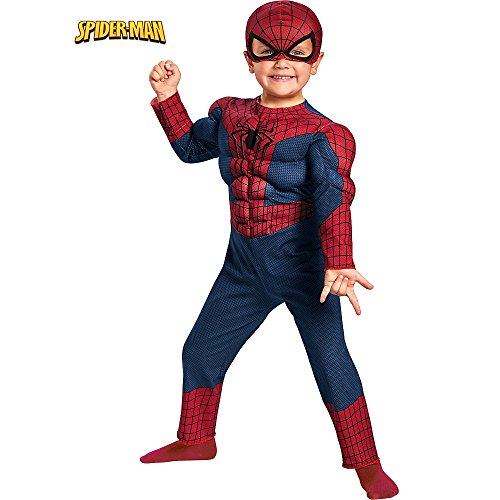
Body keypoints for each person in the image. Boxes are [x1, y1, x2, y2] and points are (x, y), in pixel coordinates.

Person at [140, 1, 399, 498]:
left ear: (315, 62)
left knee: (331, 364)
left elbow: (334, 195)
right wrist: (169, 98)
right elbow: (191, 149)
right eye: (268, 52)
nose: (282, 63)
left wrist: (340, 260)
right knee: (200, 350)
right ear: (249, 60)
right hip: (243, 264)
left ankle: (367, 465)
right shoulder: (230, 114)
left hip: (305, 268)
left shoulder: (327, 135)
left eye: (296, 54)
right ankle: (196, 440)